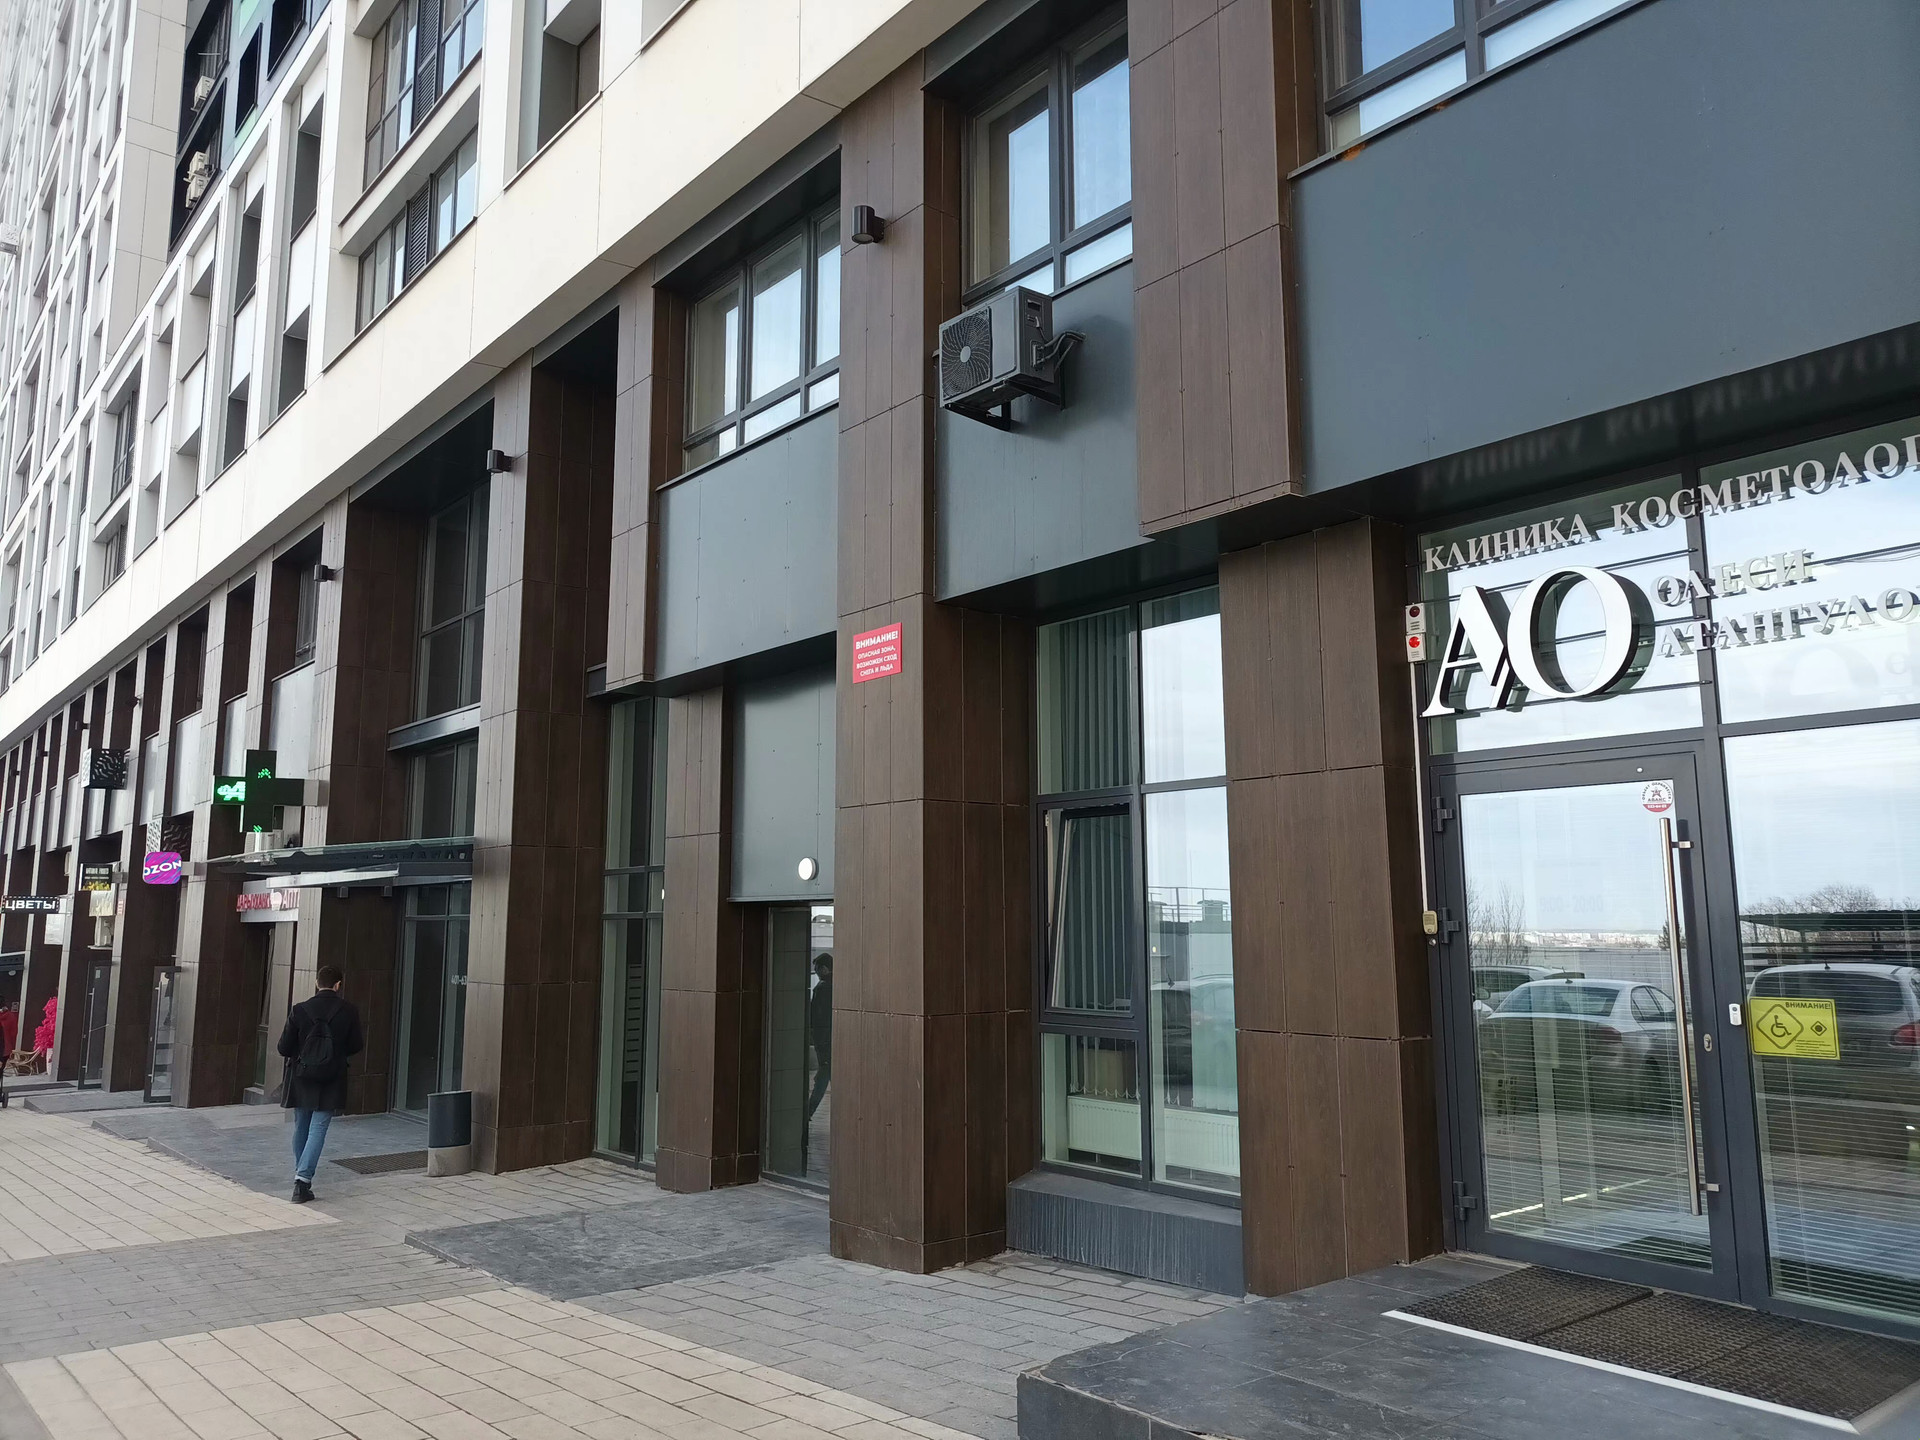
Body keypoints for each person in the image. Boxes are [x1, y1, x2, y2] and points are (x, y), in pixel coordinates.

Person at [276, 965, 364, 1204]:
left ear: (317, 983)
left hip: (301, 1076)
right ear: (338, 985)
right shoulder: (349, 1011)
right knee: (319, 1127)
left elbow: (283, 1047)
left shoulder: (299, 1010)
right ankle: (302, 1180)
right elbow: (356, 1045)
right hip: (332, 1077)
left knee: (301, 1127)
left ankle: (300, 1177)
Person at [805, 953, 833, 1123]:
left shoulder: (822, 988)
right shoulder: (838, 986)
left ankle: (809, 1110)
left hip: (824, 1042)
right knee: (825, 1074)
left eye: (816, 969)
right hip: (833, 1040)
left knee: (823, 1076)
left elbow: (816, 1017)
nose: (815, 972)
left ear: (824, 969)